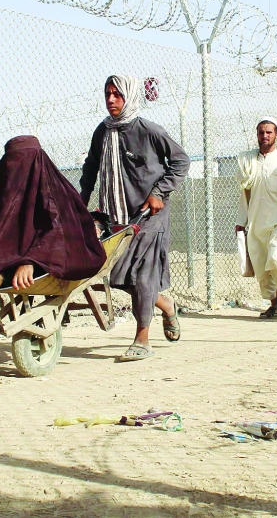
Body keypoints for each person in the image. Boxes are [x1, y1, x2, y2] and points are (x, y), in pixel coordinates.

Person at [80, 75, 190, 362]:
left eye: (117, 94)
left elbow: (180, 161)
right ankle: (166, 305)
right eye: (107, 94)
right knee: (119, 276)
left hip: (150, 214)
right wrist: (80, 202)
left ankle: (142, 339)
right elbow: (91, 168)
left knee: (142, 275)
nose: (111, 100)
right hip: (116, 216)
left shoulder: (149, 130)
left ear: (129, 97)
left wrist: (159, 192)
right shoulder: (102, 132)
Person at [0, 135, 107, 291]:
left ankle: (0, 278)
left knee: (62, 255)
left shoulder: (58, 193)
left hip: (47, 257)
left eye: (27, 162)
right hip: (14, 254)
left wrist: (31, 261)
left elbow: (64, 234)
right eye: (13, 163)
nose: (20, 170)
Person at [235, 117, 277, 318]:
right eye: (261, 132)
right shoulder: (248, 162)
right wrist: (241, 222)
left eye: (269, 132)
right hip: (256, 221)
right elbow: (244, 195)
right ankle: (275, 304)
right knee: (262, 264)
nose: (264, 136)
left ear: (276, 135)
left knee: (276, 258)